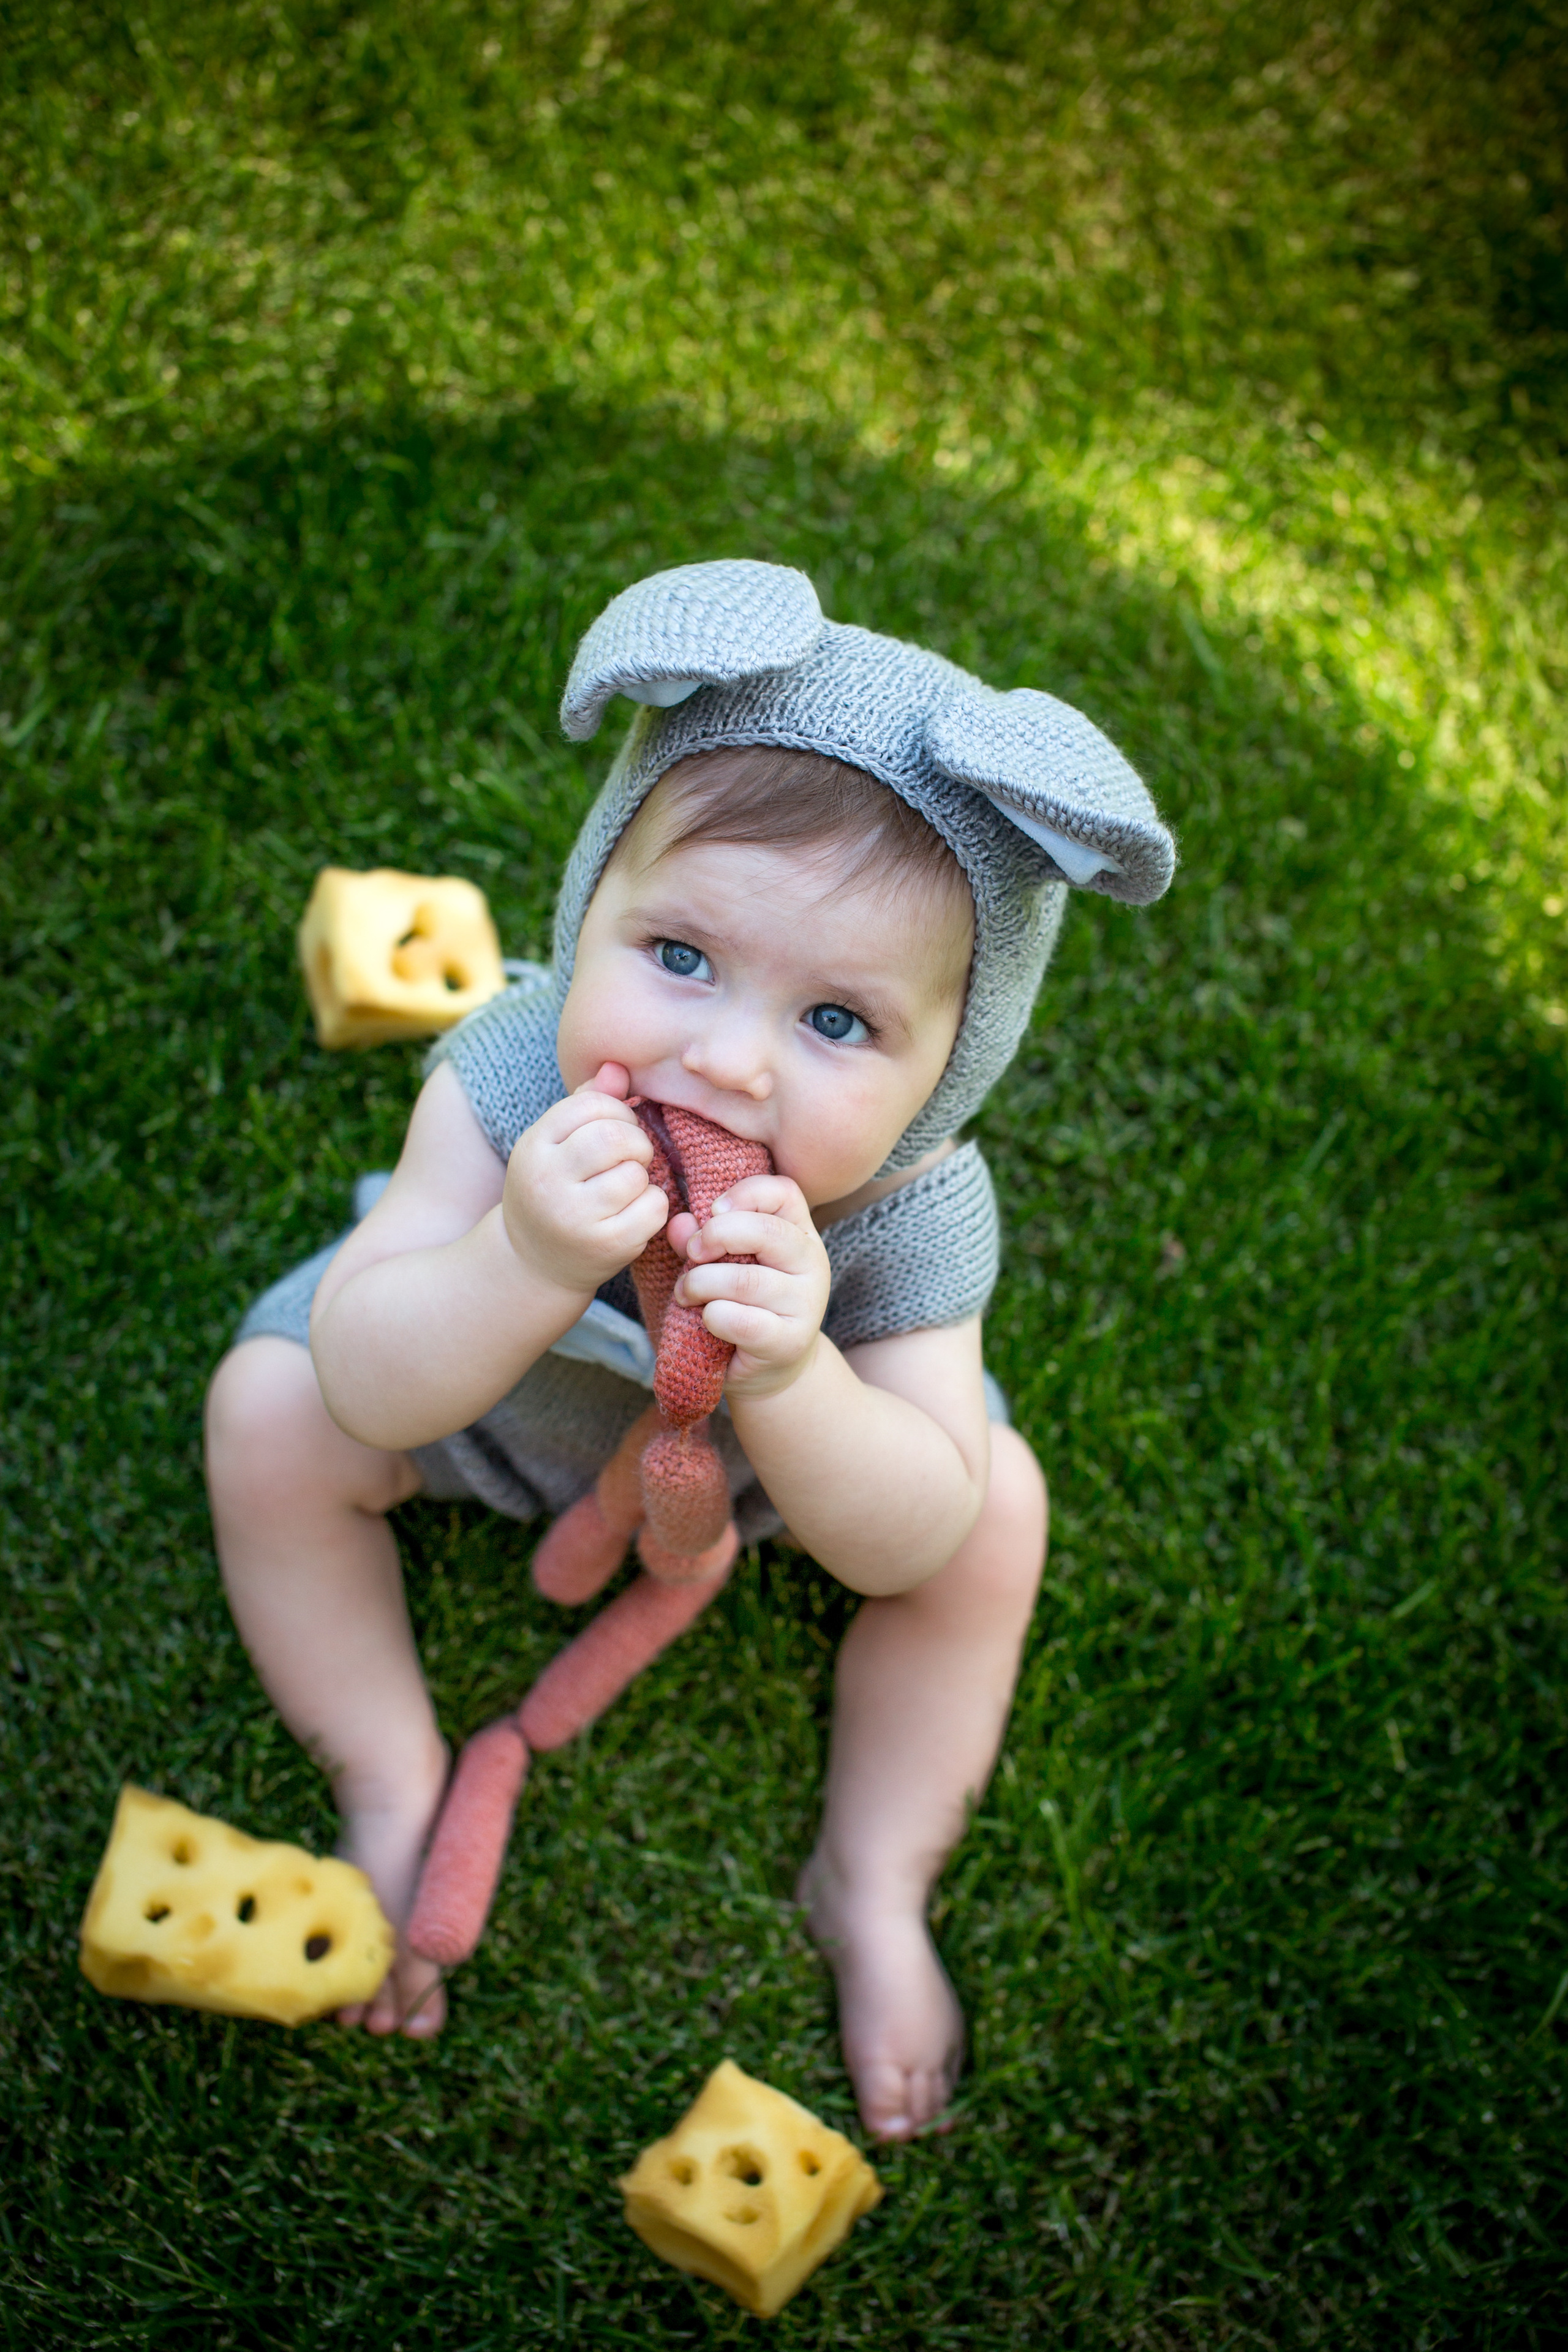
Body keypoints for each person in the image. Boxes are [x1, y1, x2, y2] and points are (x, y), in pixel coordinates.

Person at [205, 560, 1174, 2139]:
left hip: (780, 1476)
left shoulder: (918, 1209)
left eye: (839, 1025)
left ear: (950, 1067)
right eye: (681, 958)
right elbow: (362, 1374)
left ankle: (874, 1876)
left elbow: (904, 1532)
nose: (726, 1062)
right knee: (265, 1409)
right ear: (592, 907)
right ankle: (388, 1775)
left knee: (996, 1517)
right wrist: (519, 1253)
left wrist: (797, 1379)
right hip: (495, 1414)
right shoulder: (516, 1071)